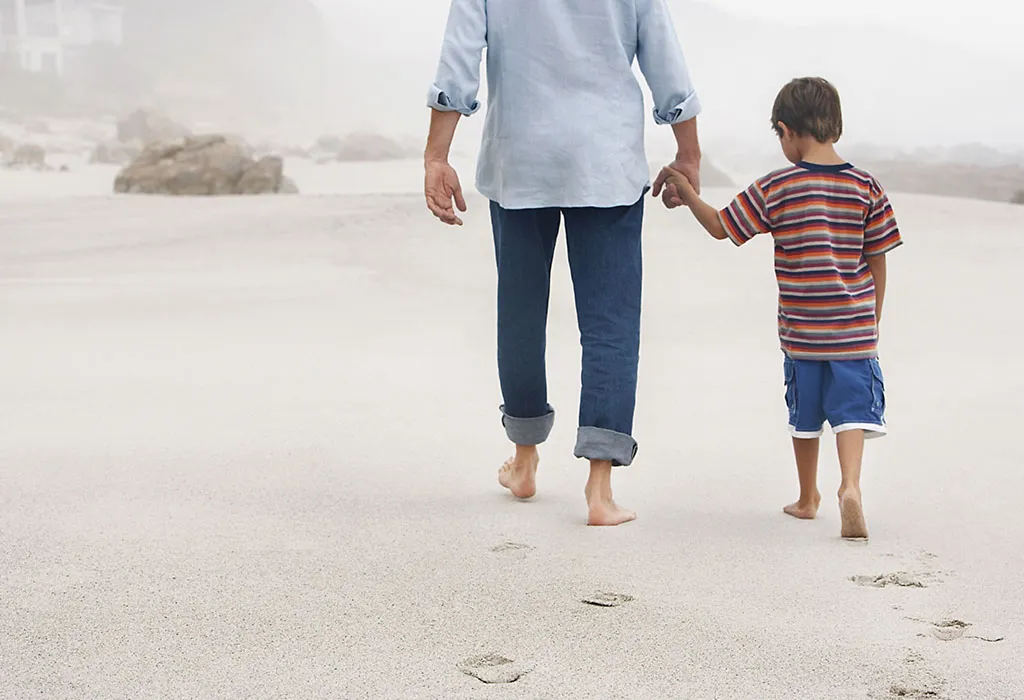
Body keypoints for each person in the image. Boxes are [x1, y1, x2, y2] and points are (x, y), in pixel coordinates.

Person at [424, 0, 702, 526]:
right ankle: (599, 489)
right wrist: (688, 152)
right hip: (606, 162)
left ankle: (525, 460)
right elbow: (665, 60)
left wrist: (436, 156)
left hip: (520, 160)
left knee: (522, 313)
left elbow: (457, 62)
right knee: (610, 323)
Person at [656, 78, 903, 539]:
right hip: (854, 332)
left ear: (787, 131)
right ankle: (850, 486)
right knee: (851, 413)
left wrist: (685, 190)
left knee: (805, 416)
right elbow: (878, 258)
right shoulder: (866, 187)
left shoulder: (778, 186)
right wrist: (874, 319)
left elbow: (722, 227)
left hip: (802, 333)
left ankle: (808, 497)